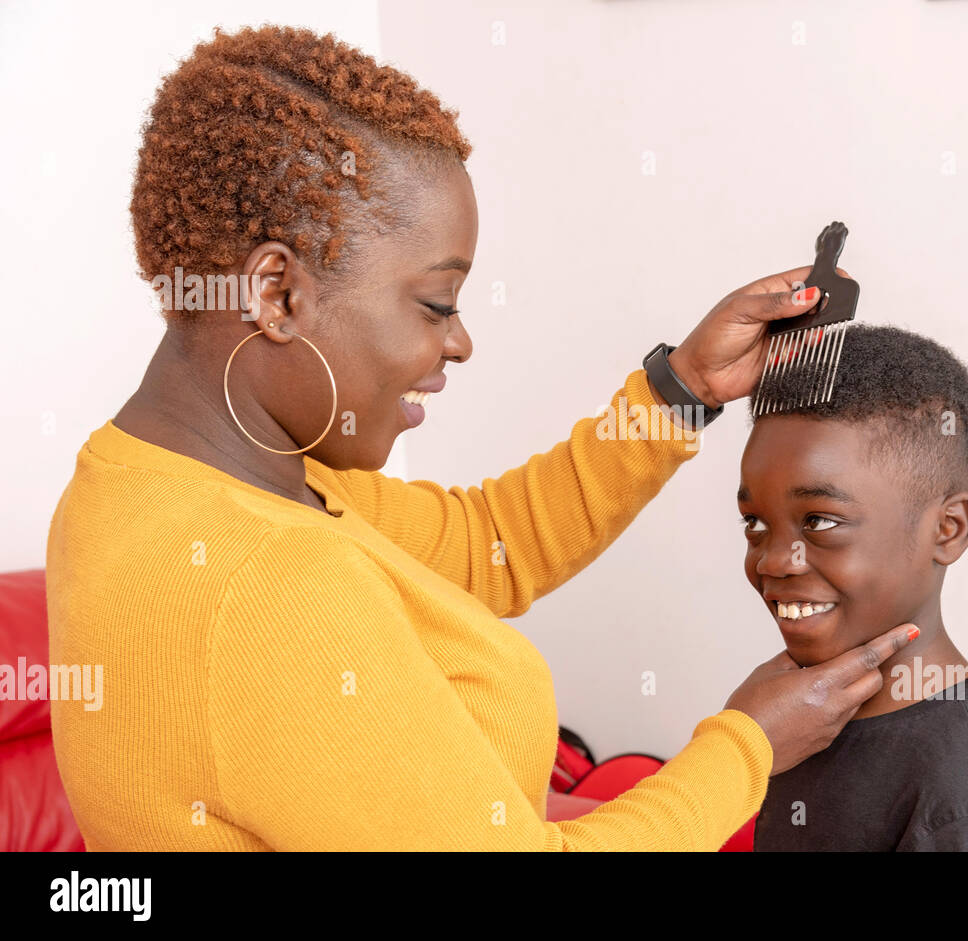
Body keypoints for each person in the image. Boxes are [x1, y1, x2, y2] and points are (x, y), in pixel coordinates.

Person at [44, 24, 918, 851]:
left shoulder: (153, 484)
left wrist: (681, 388)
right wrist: (746, 747)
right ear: (276, 293)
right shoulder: (265, 587)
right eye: (435, 304)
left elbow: (488, 544)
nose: (458, 341)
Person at [741, 324, 968, 851]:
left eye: (819, 520)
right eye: (755, 522)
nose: (772, 559)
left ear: (947, 529)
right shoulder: (790, 718)